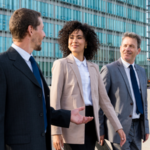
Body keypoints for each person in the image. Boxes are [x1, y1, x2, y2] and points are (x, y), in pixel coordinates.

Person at [0, 8, 94, 150]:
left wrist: (68, 116)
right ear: (31, 30)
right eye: (42, 29)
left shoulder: (33, 65)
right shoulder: (3, 64)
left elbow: (39, 110)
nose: (44, 35)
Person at [50, 21, 126, 150]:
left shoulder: (94, 68)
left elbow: (105, 101)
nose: (74, 41)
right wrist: (56, 132)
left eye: (79, 37)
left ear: (86, 43)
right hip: (71, 125)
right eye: (71, 37)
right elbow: (54, 99)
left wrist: (118, 126)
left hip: (91, 124)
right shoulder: (61, 64)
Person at [99, 32, 149, 150]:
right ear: (120, 48)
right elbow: (99, 103)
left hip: (138, 128)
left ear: (138, 50)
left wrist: (146, 128)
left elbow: (144, 103)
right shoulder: (109, 70)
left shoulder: (141, 71)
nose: (127, 49)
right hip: (118, 128)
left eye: (131, 46)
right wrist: (100, 130)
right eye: (125, 45)